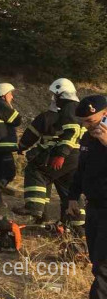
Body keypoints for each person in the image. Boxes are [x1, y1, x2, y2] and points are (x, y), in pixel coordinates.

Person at [15, 79, 84, 229]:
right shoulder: (78, 109)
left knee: (37, 172)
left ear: (61, 94)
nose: (54, 98)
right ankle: (76, 225)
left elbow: (71, 132)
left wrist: (61, 154)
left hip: (63, 154)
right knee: (70, 190)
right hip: (77, 157)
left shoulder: (66, 109)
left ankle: (35, 208)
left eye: (55, 95)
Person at [68, 95, 107, 299]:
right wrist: (73, 196)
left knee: (103, 269)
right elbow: (81, 170)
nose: (85, 126)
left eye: (90, 121)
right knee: (96, 263)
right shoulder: (88, 137)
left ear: (105, 113)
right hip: (94, 208)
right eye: (82, 121)